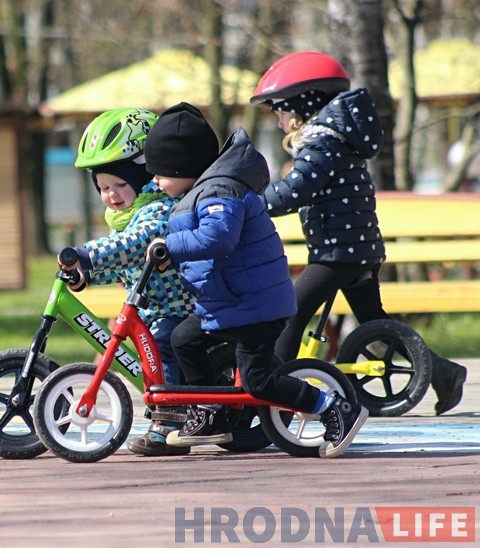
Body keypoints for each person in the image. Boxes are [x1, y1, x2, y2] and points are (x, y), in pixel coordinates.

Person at [144, 101, 367, 458]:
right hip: (229, 304)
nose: (154, 179)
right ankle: (211, 414)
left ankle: (332, 406)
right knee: (184, 339)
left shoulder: (221, 191)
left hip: (254, 307)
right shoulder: (199, 193)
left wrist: (170, 247)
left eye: (159, 171)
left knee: (258, 381)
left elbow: (218, 238)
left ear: (182, 166)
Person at [250, 51, 467, 416]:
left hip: (339, 254)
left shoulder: (320, 144)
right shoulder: (339, 139)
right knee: (376, 324)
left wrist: (251, 205)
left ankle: (275, 390)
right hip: (357, 249)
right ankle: (444, 372)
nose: (278, 118)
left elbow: (295, 190)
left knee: (290, 311)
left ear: (304, 105)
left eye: (280, 109)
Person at [62, 107, 196, 457]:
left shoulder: (157, 209)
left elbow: (135, 245)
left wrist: (88, 255)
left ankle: (170, 424)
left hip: (178, 307)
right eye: (103, 187)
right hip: (150, 307)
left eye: (120, 184)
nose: (112, 194)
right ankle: (166, 411)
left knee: (165, 347)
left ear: (144, 177)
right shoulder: (126, 215)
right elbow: (124, 265)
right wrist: (87, 274)